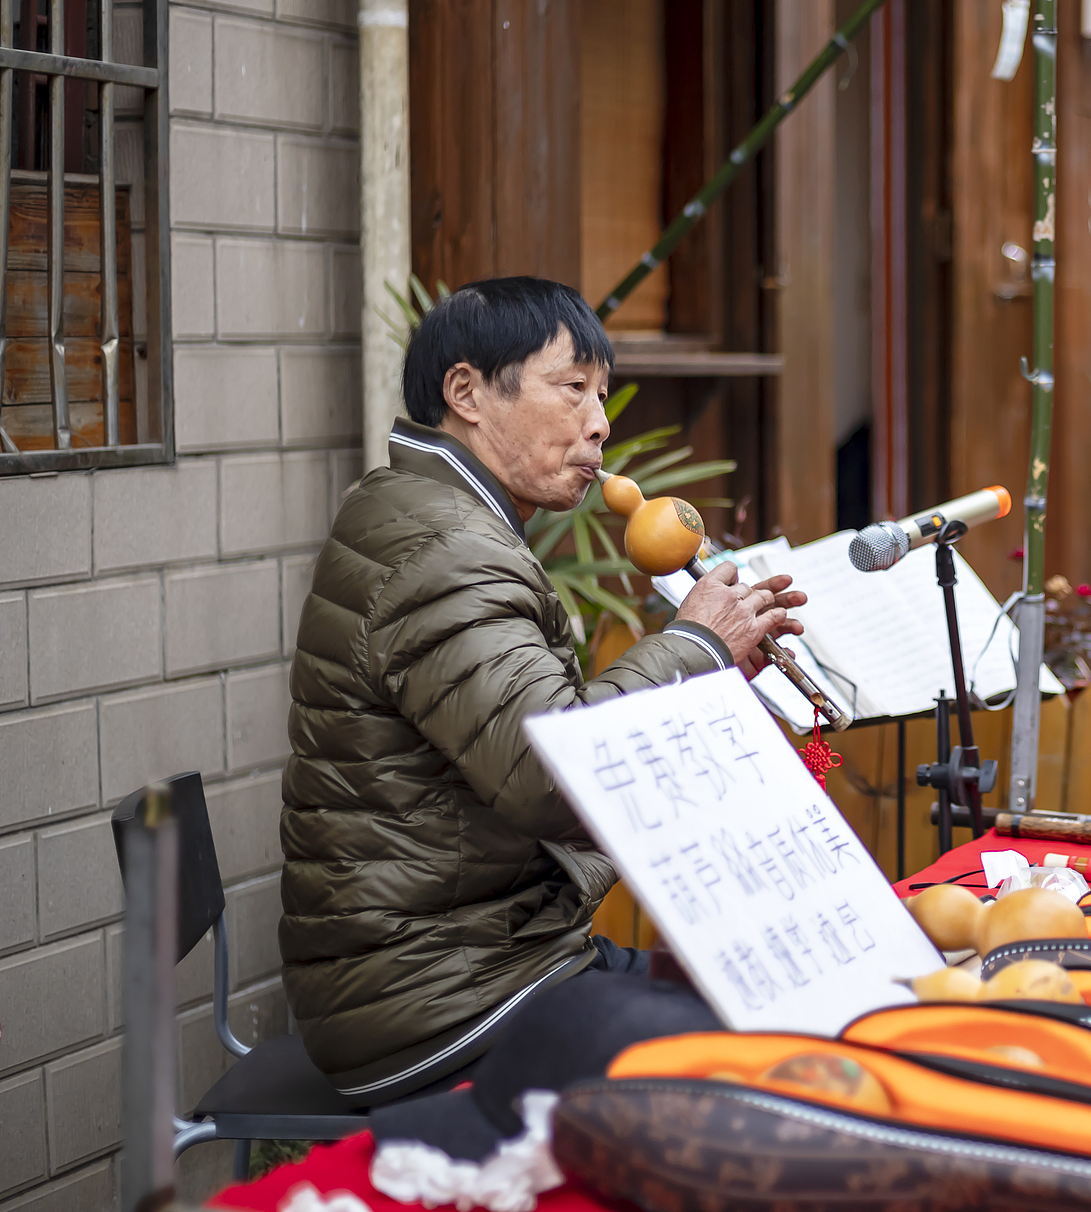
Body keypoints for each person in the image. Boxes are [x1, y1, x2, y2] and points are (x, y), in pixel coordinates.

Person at [280, 277, 806, 1102]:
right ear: (467, 393)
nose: (599, 422)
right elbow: (547, 771)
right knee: (765, 1061)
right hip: (438, 1001)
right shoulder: (441, 548)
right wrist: (696, 645)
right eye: (573, 389)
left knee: (764, 1000)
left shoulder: (435, 516)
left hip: (483, 959)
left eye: (601, 396)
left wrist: (710, 666)